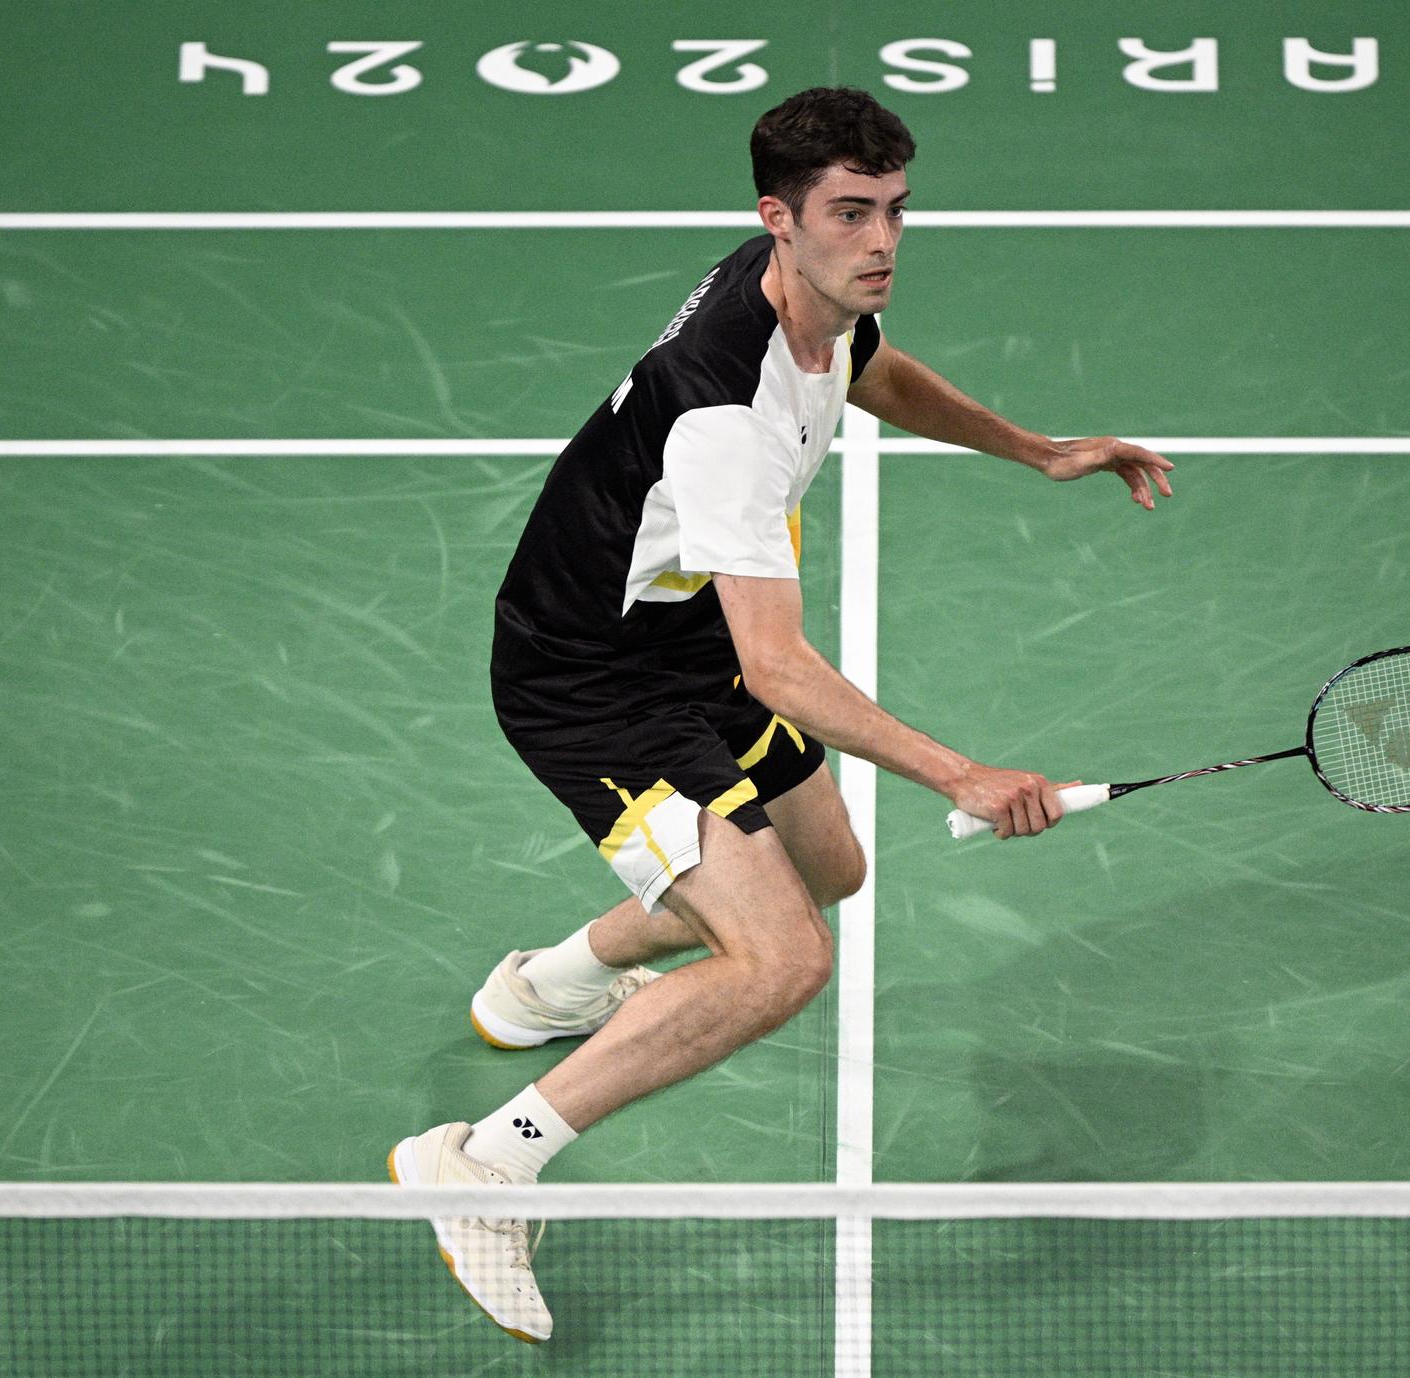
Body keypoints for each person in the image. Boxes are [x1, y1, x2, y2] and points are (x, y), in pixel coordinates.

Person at [388, 86, 1174, 1342]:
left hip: (679, 632)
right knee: (782, 958)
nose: (883, 244)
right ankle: (486, 1159)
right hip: (591, 681)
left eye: (896, 213)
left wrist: (1037, 449)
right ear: (778, 218)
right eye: (851, 216)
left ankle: (550, 981)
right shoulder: (723, 421)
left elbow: (876, 372)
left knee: (830, 868)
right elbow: (781, 670)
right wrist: (962, 772)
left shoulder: (803, 295)